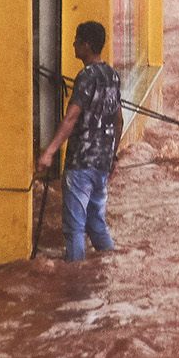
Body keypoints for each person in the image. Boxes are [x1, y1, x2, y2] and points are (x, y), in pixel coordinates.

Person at [36, 22, 122, 261]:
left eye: (76, 41)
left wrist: (49, 152)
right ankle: (112, 264)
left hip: (81, 162)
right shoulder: (113, 75)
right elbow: (119, 121)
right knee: (96, 223)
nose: (73, 44)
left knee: (74, 227)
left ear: (86, 45)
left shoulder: (85, 76)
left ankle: (76, 282)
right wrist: (113, 155)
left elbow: (71, 117)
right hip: (103, 163)